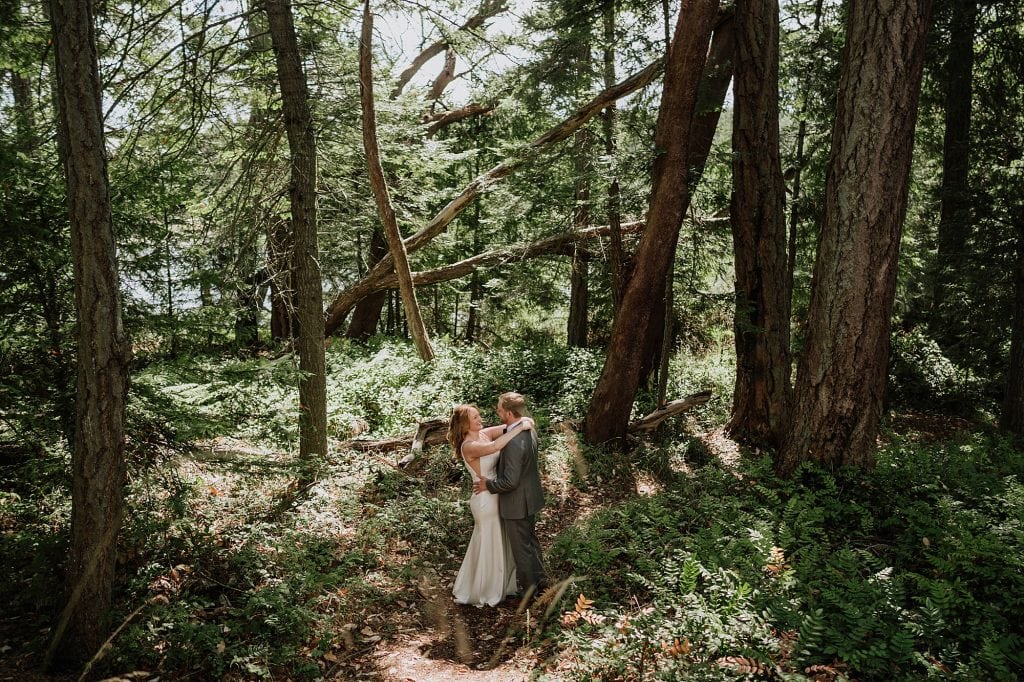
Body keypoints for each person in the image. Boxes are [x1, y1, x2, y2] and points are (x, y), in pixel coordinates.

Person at [449, 403, 533, 607]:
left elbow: (508, 428)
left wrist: (524, 421)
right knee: (488, 541)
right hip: (484, 498)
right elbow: (496, 447)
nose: (480, 419)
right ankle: (484, 590)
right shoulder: (469, 445)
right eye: (475, 418)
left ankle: (502, 585)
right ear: (465, 424)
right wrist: (521, 427)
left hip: (495, 492)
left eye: (479, 416)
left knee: (500, 540)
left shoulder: (484, 434)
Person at [474, 392, 550, 603]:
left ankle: (529, 593)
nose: (497, 411)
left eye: (499, 409)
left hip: (517, 503)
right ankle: (542, 582)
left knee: (521, 549)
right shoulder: (526, 429)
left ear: (508, 412)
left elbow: (510, 481)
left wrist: (488, 484)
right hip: (529, 497)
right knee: (531, 543)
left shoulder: (515, 441)